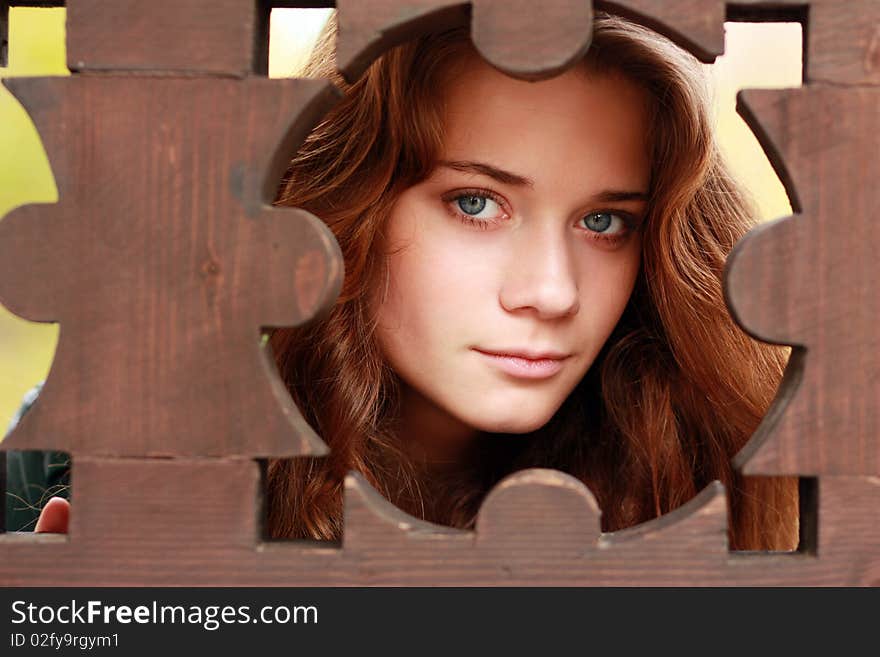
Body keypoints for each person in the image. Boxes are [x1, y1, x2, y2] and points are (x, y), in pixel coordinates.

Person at [10, 10, 798, 550]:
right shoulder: (101, 448)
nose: (552, 292)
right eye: (476, 202)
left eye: (604, 222)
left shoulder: (720, 466)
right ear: (351, 200)